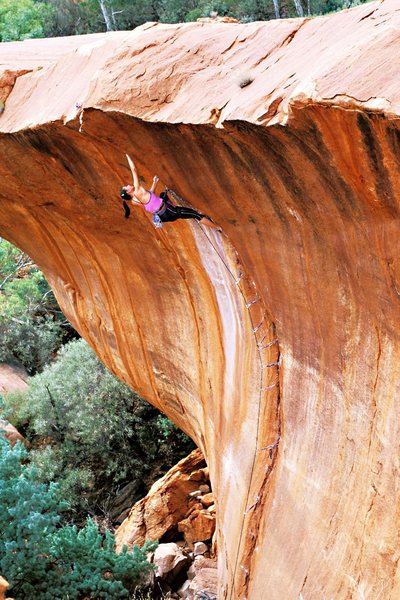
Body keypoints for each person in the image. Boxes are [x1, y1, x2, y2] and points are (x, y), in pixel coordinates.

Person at [120, 155, 218, 229]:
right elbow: (133, 169)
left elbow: (149, 200)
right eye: (126, 186)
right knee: (195, 214)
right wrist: (127, 154)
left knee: (163, 195)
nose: (128, 185)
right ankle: (218, 228)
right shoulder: (137, 190)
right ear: (128, 191)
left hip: (162, 216)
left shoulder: (134, 201)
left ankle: (177, 209)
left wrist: (154, 183)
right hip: (168, 212)